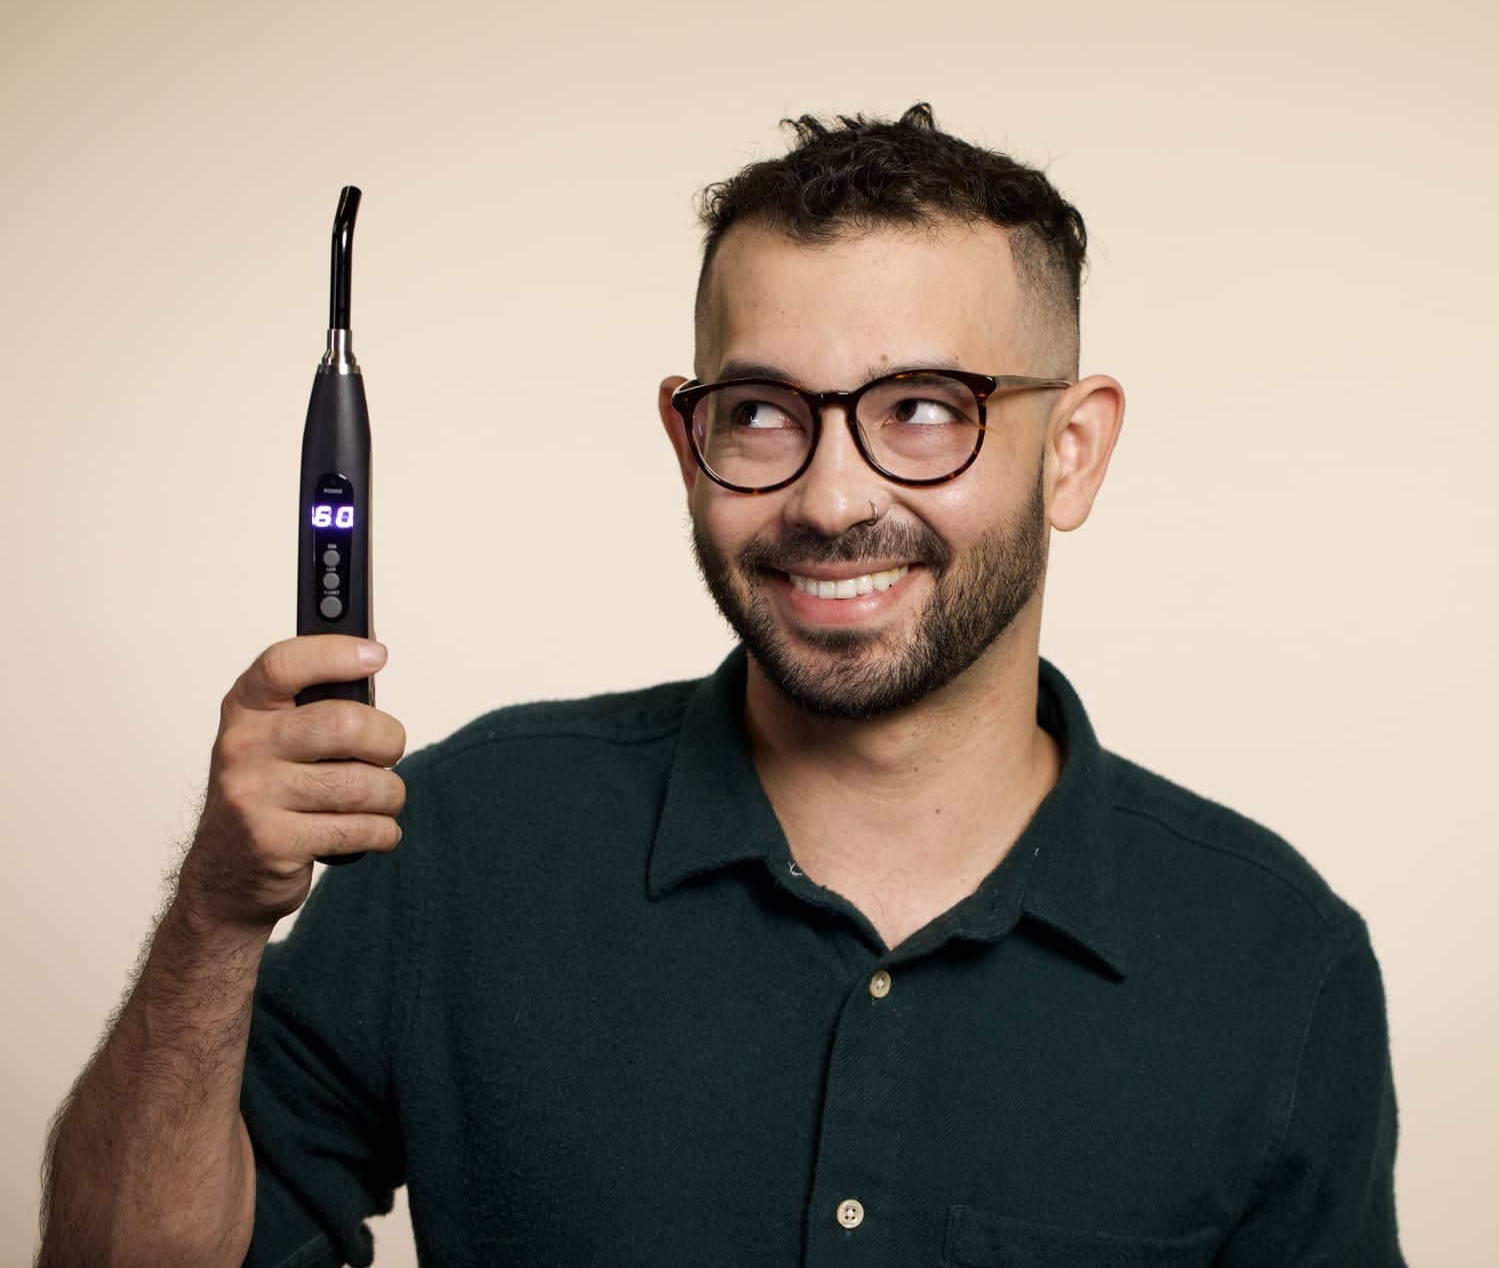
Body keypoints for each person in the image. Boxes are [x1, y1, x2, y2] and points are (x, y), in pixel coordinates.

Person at [38, 103, 1403, 1267]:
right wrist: (218, 915)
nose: (830, 495)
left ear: (1075, 452)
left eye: (923, 410)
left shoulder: (1279, 967)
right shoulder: (459, 839)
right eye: (761, 413)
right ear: (688, 442)